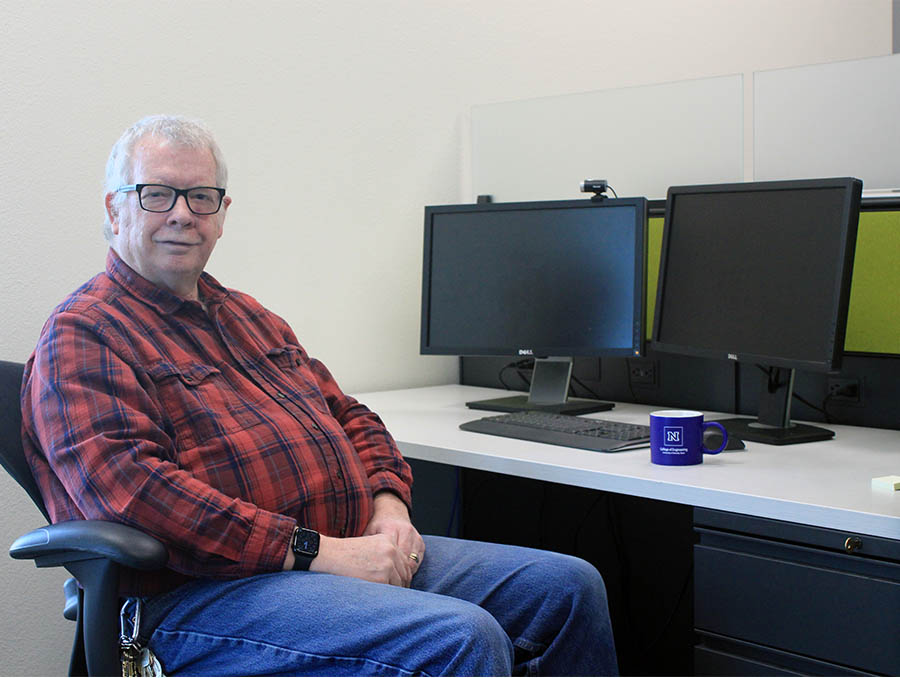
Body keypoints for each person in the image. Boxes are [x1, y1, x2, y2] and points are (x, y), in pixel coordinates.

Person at [21, 114, 618, 676]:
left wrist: (390, 511)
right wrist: (317, 553)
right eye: (157, 194)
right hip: (200, 595)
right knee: (460, 636)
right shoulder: (84, 333)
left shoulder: (248, 317)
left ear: (222, 214)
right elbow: (135, 493)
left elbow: (351, 416)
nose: (182, 214)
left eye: (201, 197)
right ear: (115, 208)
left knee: (566, 589)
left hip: (345, 552)